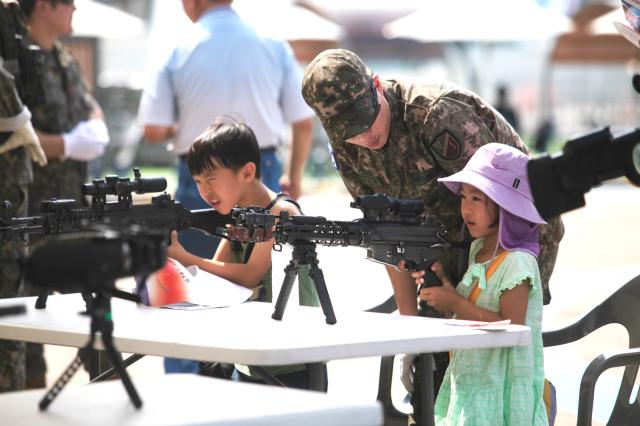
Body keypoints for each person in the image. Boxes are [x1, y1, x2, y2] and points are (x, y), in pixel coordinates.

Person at [301, 48, 563, 419]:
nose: (364, 137)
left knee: (499, 365)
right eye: (350, 133)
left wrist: (470, 306)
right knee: (437, 389)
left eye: (366, 122)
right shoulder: (348, 148)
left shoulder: (436, 115)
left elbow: (507, 204)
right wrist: (412, 330)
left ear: (376, 86)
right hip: (441, 259)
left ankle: (535, 400)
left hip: (512, 243)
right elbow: (390, 238)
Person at [138, 0, 313, 261]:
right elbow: (303, 122)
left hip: (199, 176)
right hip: (260, 173)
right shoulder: (273, 45)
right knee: (267, 283)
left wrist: (186, 126)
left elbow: (153, 130)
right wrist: (294, 178)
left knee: (198, 286)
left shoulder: (175, 48)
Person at [165, 117, 325, 390]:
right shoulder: (238, 216)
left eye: (212, 179)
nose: (205, 191)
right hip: (253, 359)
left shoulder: (281, 213)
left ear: (248, 172)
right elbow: (218, 271)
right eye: (198, 181)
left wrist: (184, 258)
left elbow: (250, 275)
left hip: (294, 360)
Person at [409, 143, 548, 425]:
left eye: (477, 199)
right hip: (471, 379)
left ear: (506, 207)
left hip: (501, 387)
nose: (465, 209)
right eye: (463, 197)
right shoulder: (478, 250)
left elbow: (510, 326)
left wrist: (455, 302)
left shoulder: (517, 262)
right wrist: (445, 288)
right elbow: (468, 313)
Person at [17, 0, 110, 390]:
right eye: (68, 2)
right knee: (25, 328)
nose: (74, 8)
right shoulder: (16, 57)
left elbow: (92, 108)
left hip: (74, 212)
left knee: (93, 312)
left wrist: (93, 130)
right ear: (43, 5)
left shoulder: (66, 59)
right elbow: (13, 134)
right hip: (27, 214)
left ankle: (103, 391)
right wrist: (68, 144)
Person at [0, 0, 47, 393]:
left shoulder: (10, 14)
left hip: (12, 172)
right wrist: (18, 119)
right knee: (9, 302)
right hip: (7, 173)